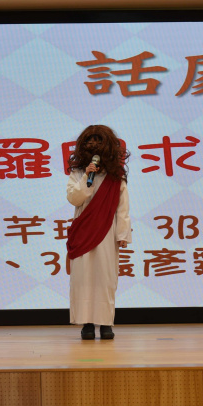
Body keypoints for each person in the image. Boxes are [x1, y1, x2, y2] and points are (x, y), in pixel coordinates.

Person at [66, 124, 131, 340]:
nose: (94, 145)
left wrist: (122, 235)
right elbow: (74, 199)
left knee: (105, 279)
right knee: (82, 279)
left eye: (98, 141)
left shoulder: (116, 177)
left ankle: (105, 324)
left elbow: (122, 208)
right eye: (90, 141)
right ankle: (86, 323)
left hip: (107, 233)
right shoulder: (78, 173)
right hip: (83, 231)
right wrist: (87, 177)